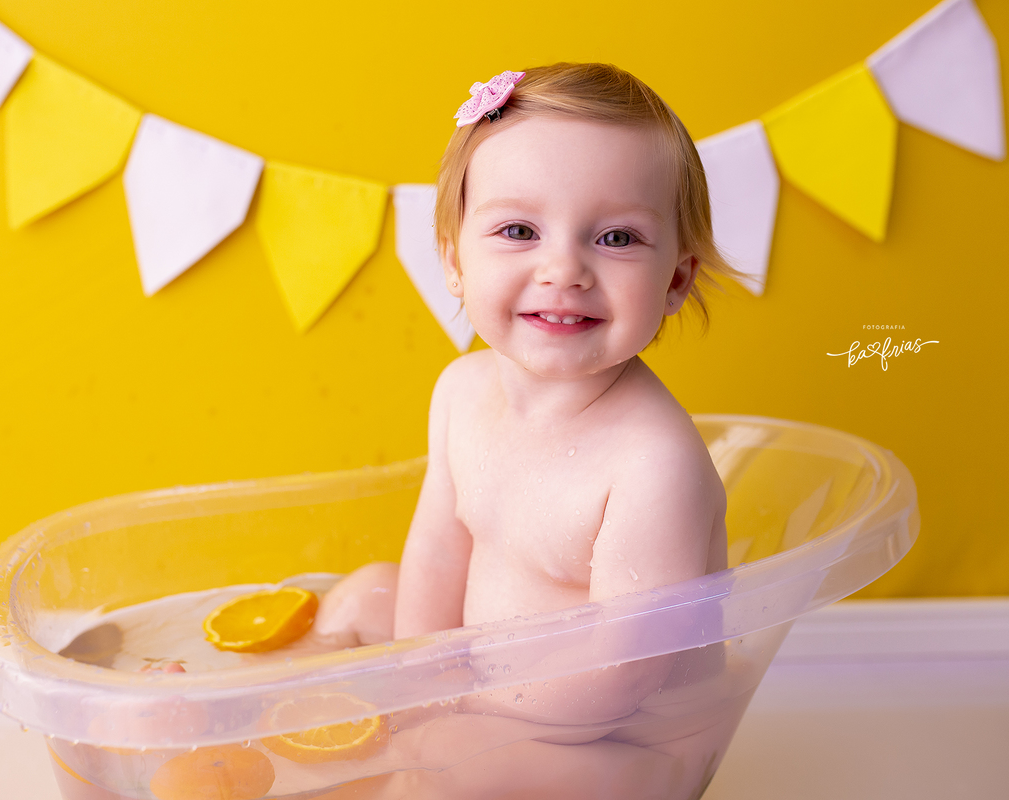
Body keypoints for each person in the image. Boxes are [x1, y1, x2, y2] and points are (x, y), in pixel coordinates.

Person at [307, 63, 740, 798]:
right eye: (518, 230)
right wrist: (414, 674)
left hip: (623, 748)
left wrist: (457, 706)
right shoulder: (461, 392)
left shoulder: (651, 461)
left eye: (616, 237)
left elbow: (622, 668)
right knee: (361, 598)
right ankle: (273, 714)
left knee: (442, 764)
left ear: (675, 281)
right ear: (453, 259)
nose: (563, 268)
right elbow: (440, 550)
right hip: (486, 676)